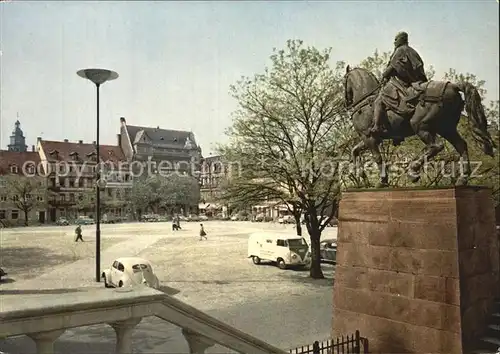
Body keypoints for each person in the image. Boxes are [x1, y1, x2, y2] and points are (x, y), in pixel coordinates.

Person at [371, 31, 428, 134]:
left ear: (401, 39)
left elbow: (392, 67)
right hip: (415, 81)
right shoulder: (412, 51)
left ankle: (377, 126)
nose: (394, 42)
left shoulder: (400, 50)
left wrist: (384, 75)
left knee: (379, 99)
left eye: (396, 40)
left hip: (402, 82)